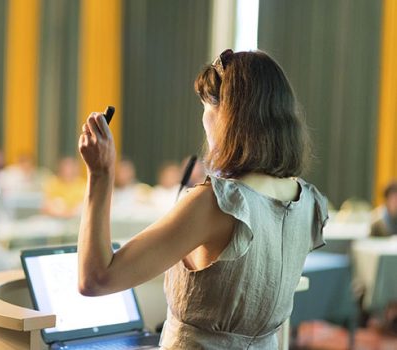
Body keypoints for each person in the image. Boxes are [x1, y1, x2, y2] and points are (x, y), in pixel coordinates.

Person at [76, 49, 328, 349]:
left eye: (206, 106)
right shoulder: (309, 202)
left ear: (228, 115)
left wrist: (101, 174)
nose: (204, 120)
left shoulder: (219, 202)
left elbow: (95, 279)